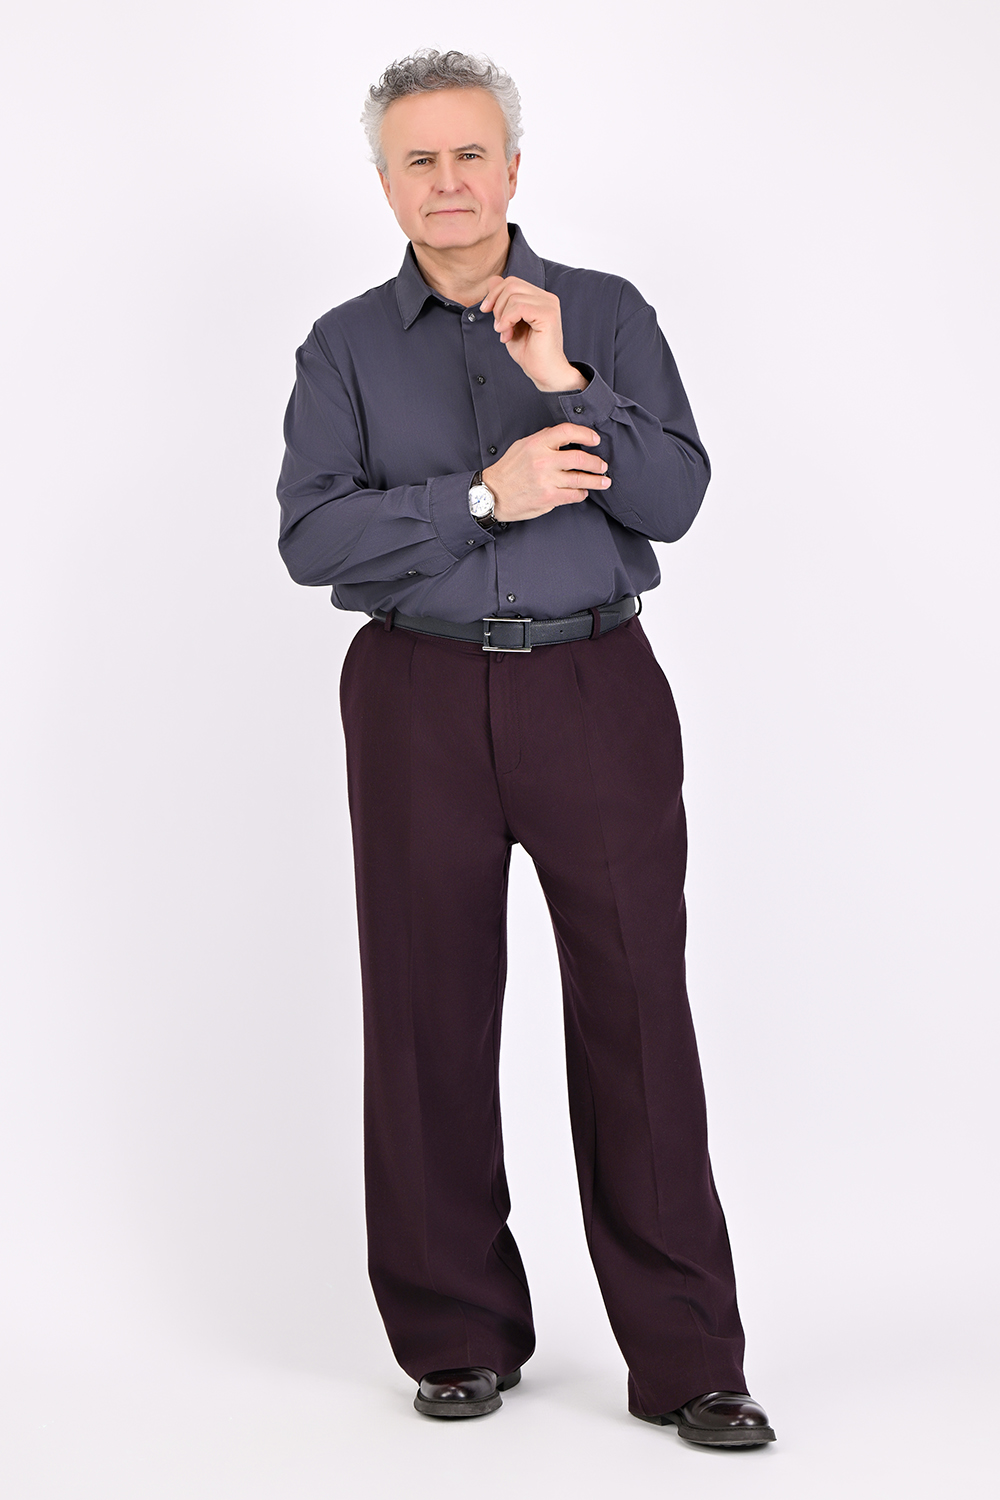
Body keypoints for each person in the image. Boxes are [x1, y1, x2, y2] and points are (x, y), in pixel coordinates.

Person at [277, 49, 775, 1447]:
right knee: (427, 1011)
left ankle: (690, 1360)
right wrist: (481, 500)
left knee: (637, 1011)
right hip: (416, 697)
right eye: (418, 160)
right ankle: (455, 1336)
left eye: (469, 154)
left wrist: (567, 383)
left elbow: (673, 498)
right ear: (386, 185)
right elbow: (311, 536)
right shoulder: (342, 347)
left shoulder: (604, 313)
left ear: (512, 168)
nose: (448, 181)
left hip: (594, 686)